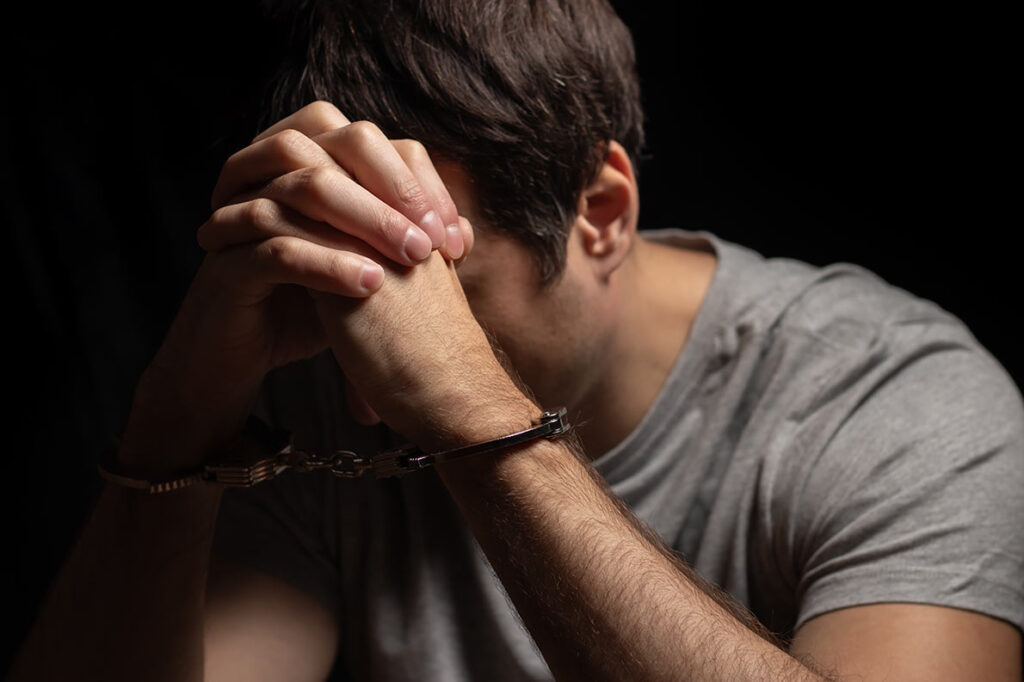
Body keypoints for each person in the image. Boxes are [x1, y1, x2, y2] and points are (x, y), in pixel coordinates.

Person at [11, 0, 1023, 680]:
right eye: (354, 288)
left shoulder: (899, 399)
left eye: (434, 288)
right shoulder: (319, 382)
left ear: (601, 213)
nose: (374, 377)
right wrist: (178, 419)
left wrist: (469, 411)